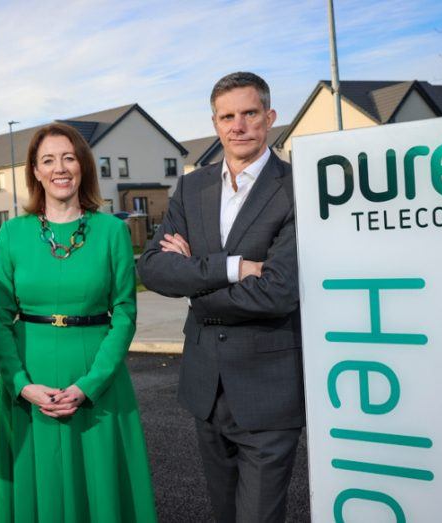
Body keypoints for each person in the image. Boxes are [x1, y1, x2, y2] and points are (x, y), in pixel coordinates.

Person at [137, 72, 303, 523]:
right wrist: (232, 268)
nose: (239, 125)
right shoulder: (193, 187)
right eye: (227, 116)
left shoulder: (297, 187)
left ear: (270, 117)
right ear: (214, 123)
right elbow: (152, 267)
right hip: (207, 386)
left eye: (250, 113)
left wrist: (196, 289)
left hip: (269, 389)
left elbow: (280, 291)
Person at [0, 122, 157, 522]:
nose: (59, 168)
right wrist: (21, 384)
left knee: (98, 492)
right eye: (48, 160)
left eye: (68, 157)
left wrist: (90, 385)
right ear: (35, 171)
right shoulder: (12, 234)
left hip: (97, 380)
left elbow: (125, 313)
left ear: (82, 165)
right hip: (30, 382)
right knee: (38, 489)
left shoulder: (113, 231)